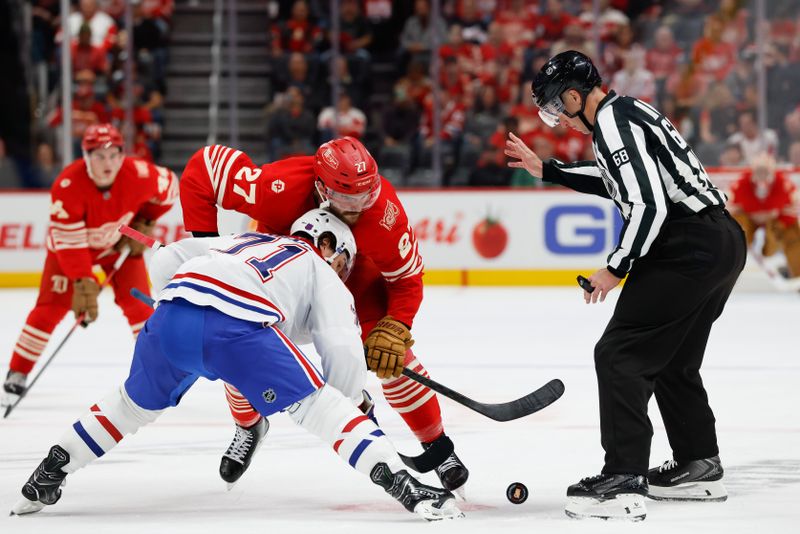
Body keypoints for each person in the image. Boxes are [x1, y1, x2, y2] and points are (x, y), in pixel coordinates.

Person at [9, 210, 463, 521]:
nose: (344, 270)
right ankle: (405, 485)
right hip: (236, 327)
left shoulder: (243, 238)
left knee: (129, 405)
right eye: (344, 260)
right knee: (318, 406)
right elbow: (341, 351)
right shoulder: (319, 268)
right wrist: (355, 404)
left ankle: (50, 471)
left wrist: (183, 311)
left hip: (172, 313)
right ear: (330, 246)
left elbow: (166, 257)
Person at [505, 51, 746, 521]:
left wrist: (616, 267)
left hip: (688, 246)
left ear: (575, 96)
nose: (559, 120)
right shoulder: (628, 113)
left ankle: (623, 478)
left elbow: (648, 204)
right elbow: (619, 179)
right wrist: (549, 170)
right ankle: (699, 464)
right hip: (720, 241)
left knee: (620, 354)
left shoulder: (613, 121)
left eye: (557, 107)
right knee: (674, 359)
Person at [179, 137, 469, 492]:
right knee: (234, 343)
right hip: (277, 280)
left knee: (393, 358)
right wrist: (207, 246)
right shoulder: (277, 187)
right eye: (348, 199)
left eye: (367, 194)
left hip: (352, 280)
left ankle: (438, 448)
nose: (360, 206)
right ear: (320, 188)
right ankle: (248, 425)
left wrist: (396, 326)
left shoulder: (382, 215)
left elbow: (407, 280)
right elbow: (204, 167)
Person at [1, 124, 177, 407]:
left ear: (122, 155)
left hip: (116, 247)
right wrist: (83, 282)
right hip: (70, 250)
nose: (107, 164)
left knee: (139, 307)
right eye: (99, 156)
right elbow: (70, 243)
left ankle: (156, 370)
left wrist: (145, 219)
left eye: (113, 155)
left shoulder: (140, 174)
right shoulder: (67, 185)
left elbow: (170, 188)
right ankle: (18, 371)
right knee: (50, 308)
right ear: (85, 155)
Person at [728, 153, 800, 277]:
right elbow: (728, 204)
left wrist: (779, 212)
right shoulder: (741, 183)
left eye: (765, 170)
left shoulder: (784, 184)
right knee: (735, 229)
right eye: (759, 170)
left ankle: (798, 275)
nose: (762, 174)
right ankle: (728, 270)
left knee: (793, 236)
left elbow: (795, 204)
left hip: (775, 220)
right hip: (749, 219)